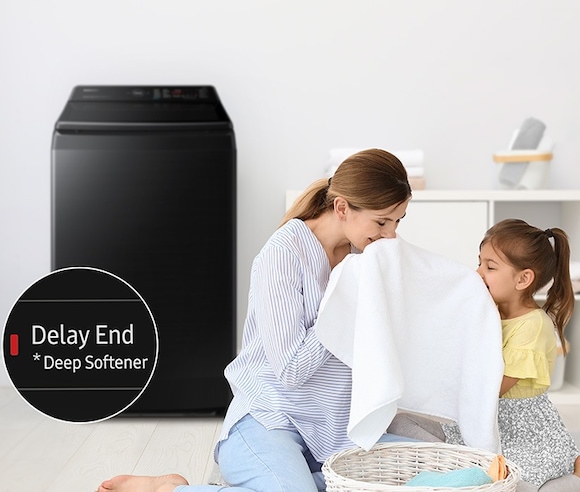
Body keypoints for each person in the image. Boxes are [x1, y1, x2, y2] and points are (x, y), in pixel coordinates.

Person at [97, 148, 414, 492]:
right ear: (342, 208)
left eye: (398, 221)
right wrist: (344, 302)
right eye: (382, 222)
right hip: (270, 418)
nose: (391, 235)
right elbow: (291, 369)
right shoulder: (284, 253)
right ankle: (167, 490)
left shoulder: (365, 257)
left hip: (337, 428)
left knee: (422, 476)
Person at [388, 218, 580, 491]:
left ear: (523, 279)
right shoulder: (491, 312)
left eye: (490, 267)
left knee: (514, 482)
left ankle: (564, 476)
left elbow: (495, 388)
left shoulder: (533, 324)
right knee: (396, 420)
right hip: (482, 417)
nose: (478, 273)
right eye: (479, 262)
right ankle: (455, 461)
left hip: (519, 430)